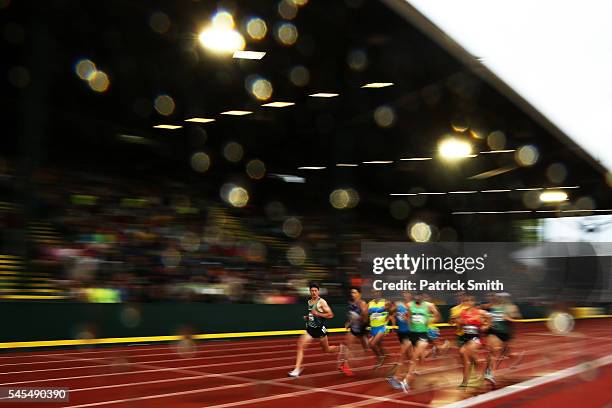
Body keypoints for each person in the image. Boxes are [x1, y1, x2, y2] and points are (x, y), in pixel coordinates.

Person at [388, 293, 440, 393]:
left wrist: (429, 321)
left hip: (423, 335)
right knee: (408, 354)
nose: (417, 298)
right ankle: (431, 352)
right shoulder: (408, 305)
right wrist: (409, 323)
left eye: (419, 297)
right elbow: (407, 316)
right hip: (412, 334)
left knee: (414, 357)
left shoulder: (429, 305)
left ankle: (405, 381)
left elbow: (437, 316)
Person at [288, 283, 339, 377]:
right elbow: (313, 315)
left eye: (315, 291)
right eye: (312, 291)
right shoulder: (309, 302)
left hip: (320, 329)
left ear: (318, 291)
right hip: (311, 329)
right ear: (310, 291)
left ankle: (340, 349)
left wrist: (318, 314)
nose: (314, 292)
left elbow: (331, 315)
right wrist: (308, 317)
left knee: (327, 350)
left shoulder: (322, 302)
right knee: (300, 345)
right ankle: (297, 369)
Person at [457, 295, 490, 387]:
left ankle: (484, 371)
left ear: (473, 302)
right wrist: (460, 325)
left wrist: (486, 326)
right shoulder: (463, 313)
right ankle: (465, 381)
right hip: (466, 338)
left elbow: (489, 317)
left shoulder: (479, 312)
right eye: (466, 301)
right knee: (464, 356)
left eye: (470, 301)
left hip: (475, 338)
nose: (468, 302)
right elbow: (461, 325)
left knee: (468, 354)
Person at [339, 287, 369, 376]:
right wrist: (348, 322)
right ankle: (344, 365)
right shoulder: (351, 303)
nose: (352, 294)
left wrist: (361, 317)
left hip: (362, 329)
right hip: (354, 328)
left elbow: (365, 318)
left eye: (355, 292)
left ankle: (381, 356)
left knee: (367, 347)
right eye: (352, 292)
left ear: (359, 294)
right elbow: (350, 316)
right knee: (348, 346)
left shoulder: (362, 303)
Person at [386, 291, 412, 386]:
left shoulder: (412, 306)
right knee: (411, 355)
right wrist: (393, 324)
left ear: (411, 295)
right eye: (404, 293)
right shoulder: (398, 304)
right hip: (401, 333)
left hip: (409, 333)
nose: (405, 295)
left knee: (402, 353)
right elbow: (391, 313)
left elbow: (412, 320)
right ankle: (432, 352)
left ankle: (396, 377)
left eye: (407, 293)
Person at [367, 289, 393, 369]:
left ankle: (380, 358)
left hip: (382, 327)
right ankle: (388, 358)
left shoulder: (385, 302)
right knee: (379, 346)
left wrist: (387, 320)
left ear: (380, 293)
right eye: (374, 292)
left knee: (371, 343)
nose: (375, 293)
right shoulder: (370, 303)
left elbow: (391, 310)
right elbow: (367, 313)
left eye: (377, 292)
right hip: (373, 328)